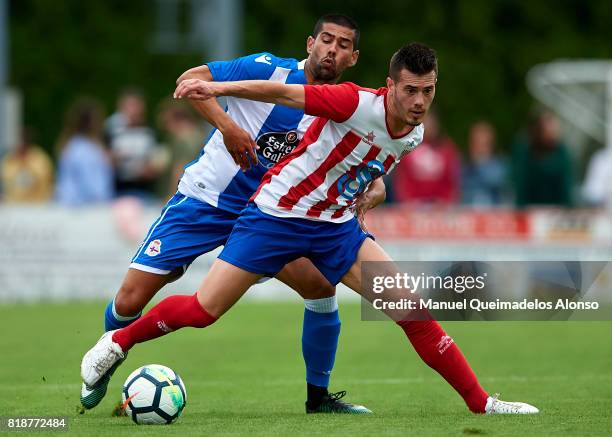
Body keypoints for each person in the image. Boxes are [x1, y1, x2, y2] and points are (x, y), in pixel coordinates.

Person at [82, 42, 538, 415]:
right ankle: (119, 341)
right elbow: (279, 94)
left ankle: (483, 404)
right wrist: (216, 87)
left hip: (333, 228)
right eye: (411, 90)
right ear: (390, 86)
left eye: (428, 91)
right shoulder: (353, 102)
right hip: (275, 217)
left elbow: (363, 161)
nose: (419, 102)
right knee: (206, 310)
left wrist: (373, 187)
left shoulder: (415, 133)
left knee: (411, 310)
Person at [80, 14, 380, 415]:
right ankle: (107, 360)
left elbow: (368, 163)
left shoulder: (343, 108)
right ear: (310, 44)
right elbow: (191, 81)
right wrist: (227, 127)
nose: (332, 50)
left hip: (271, 215)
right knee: (130, 297)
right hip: (207, 199)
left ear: (353, 58)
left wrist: (374, 186)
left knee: (321, 287)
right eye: (327, 40)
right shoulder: (265, 69)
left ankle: (318, 398)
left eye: (343, 45)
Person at [105, 88, 164, 201]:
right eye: (129, 106)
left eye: (135, 106)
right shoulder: (112, 132)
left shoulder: (149, 132)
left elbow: (156, 160)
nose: (132, 110)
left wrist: (150, 169)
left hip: (144, 190)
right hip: (118, 190)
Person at [391, 110, 461, 205]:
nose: (428, 126)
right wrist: (408, 201)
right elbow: (401, 179)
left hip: (440, 206)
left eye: (431, 122)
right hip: (412, 205)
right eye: (425, 122)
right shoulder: (407, 146)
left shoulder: (447, 149)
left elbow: (452, 180)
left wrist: (446, 201)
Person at [55, 98, 114, 206]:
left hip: (72, 207)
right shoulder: (85, 151)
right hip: (82, 210)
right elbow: (95, 189)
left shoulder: (71, 145)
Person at [512, 109, 573, 208]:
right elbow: (520, 187)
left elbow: (566, 189)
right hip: (529, 209)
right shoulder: (524, 151)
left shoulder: (562, 153)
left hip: (556, 210)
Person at [461, 121, 508, 206]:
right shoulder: (464, 167)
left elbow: (496, 182)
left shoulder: (499, 166)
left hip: (492, 214)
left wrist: (480, 163)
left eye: (482, 144)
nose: (477, 148)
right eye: (475, 143)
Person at [1, 128, 54, 203]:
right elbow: (6, 178)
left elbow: (44, 178)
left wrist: (28, 165)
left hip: (37, 205)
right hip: (13, 205)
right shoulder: (10, 159)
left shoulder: (39, 158)